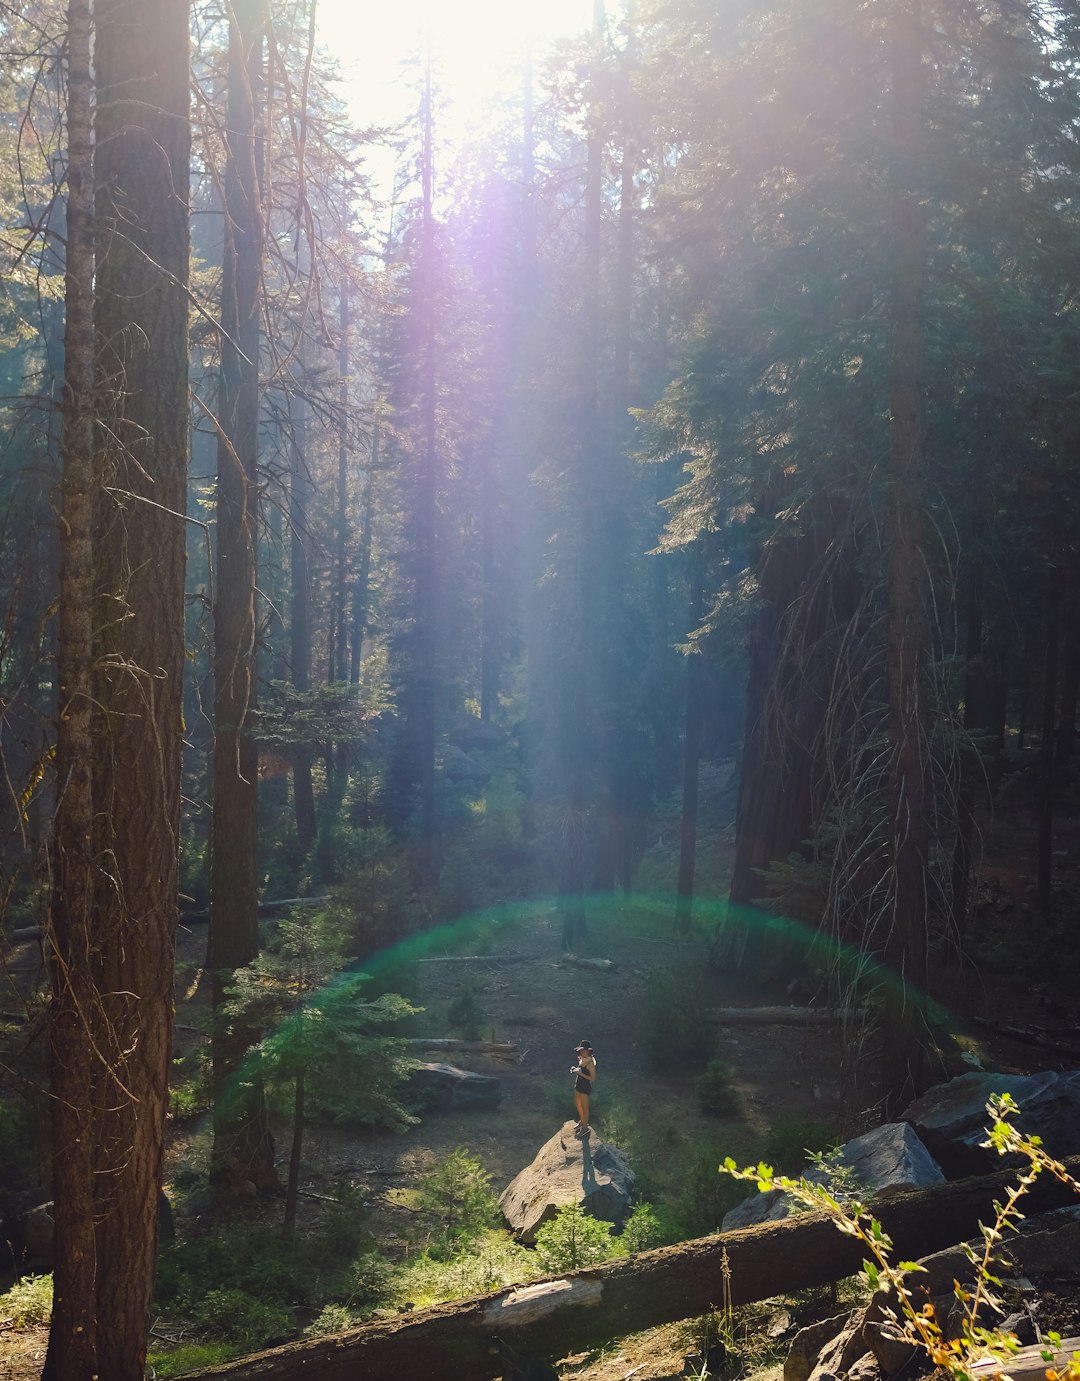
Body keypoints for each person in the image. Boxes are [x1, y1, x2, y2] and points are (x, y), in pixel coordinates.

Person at [571, 1040, 596, 1136]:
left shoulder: (590, 1063)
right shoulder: (582, 1059)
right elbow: (580, 1070)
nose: (582, 1052)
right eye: (581, 1051)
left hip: (585, 1087)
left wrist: (580, 1073)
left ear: (588, 1051)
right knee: (578, 1104)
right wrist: (575, 1070)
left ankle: (585, 1128)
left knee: (585, 1107)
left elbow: (592, 1078)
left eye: (583, 1050)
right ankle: (582, 1121)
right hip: (578, 1084)